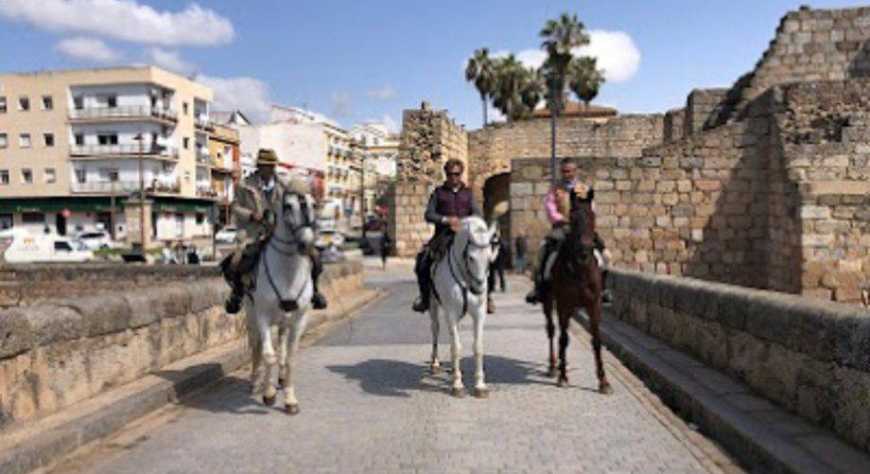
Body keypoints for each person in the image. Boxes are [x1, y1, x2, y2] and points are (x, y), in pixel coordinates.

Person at [221, 148, 327, 314]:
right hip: (252, 233)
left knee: (314, 256)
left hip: (279, 232)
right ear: (260, 166)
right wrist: (251, 215)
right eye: (266, 166)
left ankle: (315, 292)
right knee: (235, 263)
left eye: (272, 166)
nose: (270, 169)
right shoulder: (245, 185)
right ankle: (237, 295)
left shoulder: (284, 185)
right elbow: (235, 207)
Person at [525, 158, 612, 305]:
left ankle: (602, 289)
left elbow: (591, 208)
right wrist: (560, 219)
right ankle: (539, 288)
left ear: (575, 171)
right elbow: (550, 207)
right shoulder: (555, 189)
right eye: (564, 171)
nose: (566, 174)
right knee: (543, 251)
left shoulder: (583, 190)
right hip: (562, 228)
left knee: (605, 256)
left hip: (582, 229)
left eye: (569, 171)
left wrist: (583, 221)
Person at [412, 159, 482, 313]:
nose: (453, 178)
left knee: (484, 260)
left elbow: (477, 214)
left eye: (456, 174)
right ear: (446, 174)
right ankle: (424, 298)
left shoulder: (468, 194)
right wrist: (446, 220)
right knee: (422, 262)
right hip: (443, 236)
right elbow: (429, 214)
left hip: (465, 236)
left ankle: (486, 297)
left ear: (461, 174)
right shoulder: (438, 193)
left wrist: (464, 223)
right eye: (450, 174)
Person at [486, 230, 507, 314]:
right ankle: (492, 288)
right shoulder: (489, 242)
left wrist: (504, 260)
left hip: (499, 262)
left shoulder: (501, 242)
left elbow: (505, 251)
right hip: (492, 262)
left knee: (500, 275)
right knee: (491, 276)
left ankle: (502, 286)